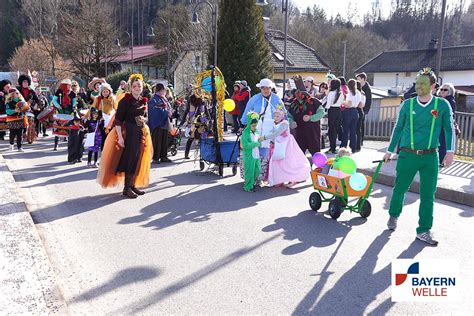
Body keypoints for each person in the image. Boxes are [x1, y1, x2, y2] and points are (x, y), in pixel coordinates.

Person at [383, 68, 455, 245]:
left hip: (431, 156)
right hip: (408, 155)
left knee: (428, 194)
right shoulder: (407, 104)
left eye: (423, 83)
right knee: (400, 189)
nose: (419, 86)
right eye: (417, 83)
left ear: (433, 86)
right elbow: (398, 128)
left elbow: (449, 129)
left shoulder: (442, 105)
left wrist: (450, 152)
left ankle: (424, 230)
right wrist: (390, 150)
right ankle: (393, 215)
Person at [97, 73, 152, 198]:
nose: (137, 88)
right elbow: (118, 121)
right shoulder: (125, 101)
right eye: (135, 86)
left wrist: (144, 120)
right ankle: (126, 188)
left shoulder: (142, 100)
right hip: (129, 132)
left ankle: (132, 185)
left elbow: (145, 116)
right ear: (130, 88)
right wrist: (121, 138)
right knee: (130, 159)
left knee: (138, 158)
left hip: (140, 132)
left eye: (139, 86)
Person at [241, 78, 285, 182]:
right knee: (254, 152)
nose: (265, 90)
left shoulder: (276, 99)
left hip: (270, 130)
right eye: (263, 88)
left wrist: (285, 123)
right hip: (255, 128)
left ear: (271, 88)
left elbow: (283, 112)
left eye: (268, 88)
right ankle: (252, 176)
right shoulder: (255, 98)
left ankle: (261, 176)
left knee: (265, 154)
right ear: (260, 88)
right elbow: (247, 110)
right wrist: (243, 123)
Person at [265, 108, 311, 188]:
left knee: (289, 162)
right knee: (278, 162)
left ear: (282, 116)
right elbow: (273, 133)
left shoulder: (284, 123)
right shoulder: (275, 123)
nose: (276, 117)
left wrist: (264, 137)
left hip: (286, 144)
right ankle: (280, 179)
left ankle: (293, 178)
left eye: (278, 115)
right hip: (279, 144)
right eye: (275, 115)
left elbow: (276, 133)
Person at [287, 76, 325, 156]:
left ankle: (318, 167)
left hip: (313, 132)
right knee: (299, 154)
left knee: (316, 153)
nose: (298, 96)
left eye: (300, 93)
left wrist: (311, 118)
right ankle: (301, 168)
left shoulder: (314, 101)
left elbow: (321, 112)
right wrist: (291, 122)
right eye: (296, 94)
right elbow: (289, 116)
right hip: (299, 133)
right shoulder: (293, 104)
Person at [180, 92, 211, 159]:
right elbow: (187, 111)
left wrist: (209, 119)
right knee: (191, 138)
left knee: (201, 138)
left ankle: (202, 155)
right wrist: (182, 122)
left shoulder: (203, 100)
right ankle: (187, 154)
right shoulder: (191, 100)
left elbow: (206, 110)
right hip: (193, 122)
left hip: (201, 121)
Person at [148, 83, 172, 164]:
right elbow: (154, 111)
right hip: (157, 123)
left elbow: (166, 107)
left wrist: (168, 112)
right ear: (160, 90)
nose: (164, 91)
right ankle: (156, 158)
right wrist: (166, 112)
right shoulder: (154, 99)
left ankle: (163, 156)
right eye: (163, 90)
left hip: (164, 122)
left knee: (164, 140)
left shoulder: (163, 98)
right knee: (157, 141)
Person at [51, 79, 77, 151]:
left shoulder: (72, 93)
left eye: (68, 85)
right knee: (58, 127)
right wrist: (58, 105)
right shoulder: (59, 91)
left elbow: (74, 102)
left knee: (68, 127)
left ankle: (69, 145)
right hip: (60, 111)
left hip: (69, 112)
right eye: (65, 85)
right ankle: (56, 144)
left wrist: (74, 106)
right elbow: (54, 100)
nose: (66, 86)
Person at [91, 82, 116, 150]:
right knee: (103, 137)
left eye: (107, 91)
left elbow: (116, 109)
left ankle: (109, 151)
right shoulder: (98, 99)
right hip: (102, 121)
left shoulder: (112, 99)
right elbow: (93, 108)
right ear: (101, 92)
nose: (105, 93)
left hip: (111, 121)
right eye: (103, 91)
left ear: (109, 91)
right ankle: (103, 151)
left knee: (110, 137)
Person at [241, 112, 262, 192]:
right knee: (249, 171)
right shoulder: (245, 133)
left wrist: (259, 143)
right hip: (249, 155)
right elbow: (245, 145)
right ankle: (248, 186)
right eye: (253, 125)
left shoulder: (256, 131)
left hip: (256, 155)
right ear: (249, 124)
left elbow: (259, 141)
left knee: (257, 170)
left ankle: (252, 182)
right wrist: (256, 143)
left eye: (256, 125)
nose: (254, 127)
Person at [437, 83, 457, 166]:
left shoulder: (450, 101)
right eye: (441, 89)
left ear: (450, 92)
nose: (442, 91)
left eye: (445, 90)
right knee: (438, 143)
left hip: (445, 126)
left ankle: (441, 161)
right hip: (438, 125)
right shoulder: (439, 99)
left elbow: (449, 114)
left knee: (443, 143)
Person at [340, 79, 363, 154]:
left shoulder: (349, 93)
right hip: (355, 111)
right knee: (353, 131)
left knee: (346, 131)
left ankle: (343, 147)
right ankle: (353, 147)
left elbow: (349, 104)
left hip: (348, 112)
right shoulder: (359, 93)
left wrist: (343, 102)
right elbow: (361, 104)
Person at [325, 78, 344, 154]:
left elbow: (328, 105)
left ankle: (332, 147)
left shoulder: (331, 93)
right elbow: (342, 103)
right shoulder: (341, 93)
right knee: (336, 128)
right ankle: (338, 145)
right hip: (338, 110)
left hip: (332, 110)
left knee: (331, 129)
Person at [356, 72, 372, 147]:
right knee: (359, 126)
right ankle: (359, 141)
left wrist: (365, 110)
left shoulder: (367, 88)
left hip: (363, 109)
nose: (357, 80)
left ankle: (360, 141)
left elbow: (369, 100)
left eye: (358, 79)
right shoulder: (359, 86)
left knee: (361, 126)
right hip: (359, 109)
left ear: (363, 79)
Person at [355, 81, 366, 152]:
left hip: (358, 111)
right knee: (358, 129)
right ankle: (358, 145)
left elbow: (361, 104)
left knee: (357, 130)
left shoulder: (358, 93)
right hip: (361, 111)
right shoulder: (363, 93)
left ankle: (357, 145)